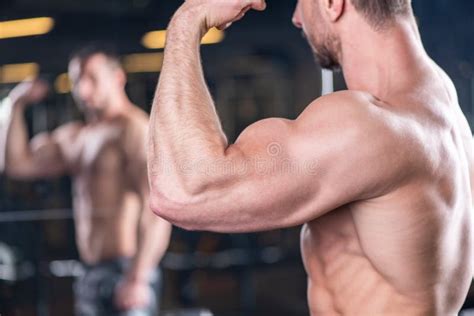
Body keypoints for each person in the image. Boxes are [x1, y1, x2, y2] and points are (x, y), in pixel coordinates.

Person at [147, 0, 474, 314]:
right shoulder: (444, 110)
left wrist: (188, 20)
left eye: (303, 3)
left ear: (333, 3)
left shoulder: (369, 127)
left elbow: (182, 191)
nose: (296, 18)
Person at [1, 46, 172, 315]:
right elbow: (17, 164)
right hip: (89, 271)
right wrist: (16, 103)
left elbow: (160, 210)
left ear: (117, 78)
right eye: (78, 79)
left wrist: (138, 277)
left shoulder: (134, 130)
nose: (83, 89)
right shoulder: (76, 137)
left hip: (127, 268)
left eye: (92, 78)